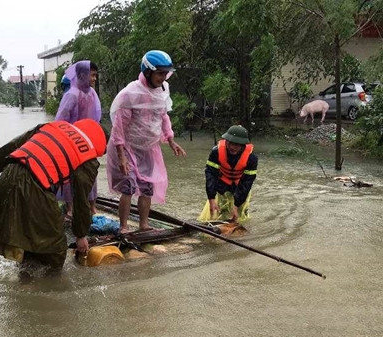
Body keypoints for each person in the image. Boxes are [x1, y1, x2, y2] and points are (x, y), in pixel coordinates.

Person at [0, 119, 107, 277]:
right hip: (34, 185)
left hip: (8, 174)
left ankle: (25, 282)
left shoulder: (53, 127)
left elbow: (13, 145)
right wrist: (81, 235)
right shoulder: (87, 158)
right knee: (55, 248)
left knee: (28, 238)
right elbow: (81, 200)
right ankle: (49, 292)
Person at [106, 50, 186, 233]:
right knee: (128, 185)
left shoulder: (163, 90)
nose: (163, 77)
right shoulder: (130, 94)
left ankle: (144, 225)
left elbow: (163, 117)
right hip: (126, 146)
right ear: (148, 71)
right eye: (160, 73)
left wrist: (171, 140)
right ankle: (124, 227)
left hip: (148, 148)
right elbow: (118, 127)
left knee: (147, 187)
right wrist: (121, 156)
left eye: (165, 73)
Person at [55, 61, 102, 216]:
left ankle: (92, 206)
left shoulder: (92, 94)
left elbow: (96, 118)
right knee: (70, 176)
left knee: (91, 174)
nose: (94, 79)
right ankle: (70, 208)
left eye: (95, 75)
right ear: (82, 75)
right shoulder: (71, 95)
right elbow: (60, 121)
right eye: (92, 75)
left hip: (89, 141)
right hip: (71, 142)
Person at [198, 125, 258, 224]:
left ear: (243, 145)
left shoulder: (251, 158)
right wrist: (211, 199)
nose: (232, 147)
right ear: (226, 141)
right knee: (223, 211)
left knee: (239, 216)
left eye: (236, 145)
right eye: (230, 143)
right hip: (222, 184)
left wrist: (236, 206)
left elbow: (247, 183)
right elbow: (211, 175)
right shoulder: (216, 152)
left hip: (240, 186)